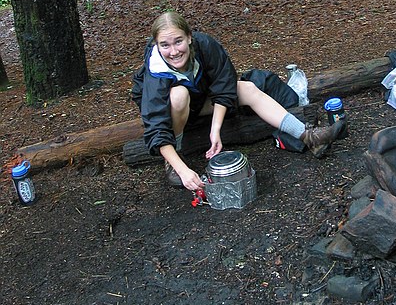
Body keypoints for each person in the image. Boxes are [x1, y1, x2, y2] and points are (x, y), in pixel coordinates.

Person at [132, 11, 344, 191]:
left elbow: (224, 84)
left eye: (178, 41)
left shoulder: (205, 45)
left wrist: (215, 130)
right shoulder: (155, 72)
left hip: (201, 102)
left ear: (189, 37)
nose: (174, 51)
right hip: (176, 113)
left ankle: (308, 136)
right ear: (156, 45)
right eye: (165, 45)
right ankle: (173, 160)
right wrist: (182, 170)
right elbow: (156, 126)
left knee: (248, 88)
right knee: (178, 95)